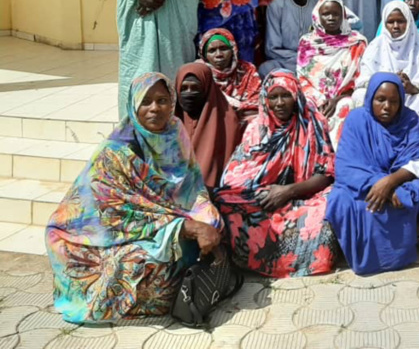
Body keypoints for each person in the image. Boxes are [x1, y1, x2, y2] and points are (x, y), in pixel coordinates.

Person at [46, 73, 222, 323]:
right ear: (133, 105)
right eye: (146, 101)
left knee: (212, 223)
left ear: (172, 103)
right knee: (141, 262)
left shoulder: (175, 131)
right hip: (103, 233)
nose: (155, 108)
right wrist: (184, 227)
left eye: (162, 100)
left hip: (163, 220)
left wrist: (205, 216)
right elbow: (115, 214)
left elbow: (191, 186)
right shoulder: (115, 151)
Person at [214, 70, 340, 278]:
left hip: (303, 196)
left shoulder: (312, 122)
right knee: (225, 201)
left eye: (286, 95)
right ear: (265, 99)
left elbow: (326, 173)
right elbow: (236, 177)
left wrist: (287, 191)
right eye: (273, 97)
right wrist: (267, 193)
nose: (280, 103)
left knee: (331, 202)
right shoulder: (257, 128)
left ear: (296, 96)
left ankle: (301, 259)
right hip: (265, 197)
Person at [325, 73, 419, 275]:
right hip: (363, 183)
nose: (387, 107)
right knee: (339, 200)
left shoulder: (410, 121)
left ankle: (396, 254)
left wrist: (390, 182)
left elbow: (418, 160)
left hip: (399, 182)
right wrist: (380, 184)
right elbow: (347, 166)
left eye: (394, 101)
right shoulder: (356, 120)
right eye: (380, 99)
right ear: (370, 98)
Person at [297, 0, 368, 147]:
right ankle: (314, 157)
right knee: (306, 106)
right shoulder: (307, 42)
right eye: (326, 14)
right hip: (314, 97)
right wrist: (320, 99)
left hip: (344, 96)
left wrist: (336, 99)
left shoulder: (357, 43)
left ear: (343, 16)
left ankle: (341, 155)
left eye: (336, 14)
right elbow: (302, 78)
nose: (331, 18)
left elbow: (361, 79)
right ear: (317, 16)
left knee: (346, 106)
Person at [354, 1, 419, 119]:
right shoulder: (376, 46)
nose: (395, 26)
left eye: (400, 21)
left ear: (409, 22)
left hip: (408, 98)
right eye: (390, 22)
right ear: (384, 24)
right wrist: (387, 82)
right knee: (359, 95)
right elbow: (363, 80)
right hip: (380, 98)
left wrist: (411, 87)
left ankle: (414, 135)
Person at [174, 62, 242, 189]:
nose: (189, 93)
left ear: (206, 89)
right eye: (184, 88)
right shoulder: (170, 121)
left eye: (195, 88)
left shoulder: (227, 120)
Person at [262, 0, 328, 75]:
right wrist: (301, 57)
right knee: (266, 68)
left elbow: (350, 22)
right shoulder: (277, 6)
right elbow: (271, 49)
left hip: (318, 58)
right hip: (288, 62)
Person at [198, 28, 262, 125]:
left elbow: (256, 105)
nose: (219, 54)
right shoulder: (199, 73)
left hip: (245, 126)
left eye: (223, 48)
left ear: (233, 50)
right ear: (204, 55)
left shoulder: (247, 70)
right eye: (212, 50)